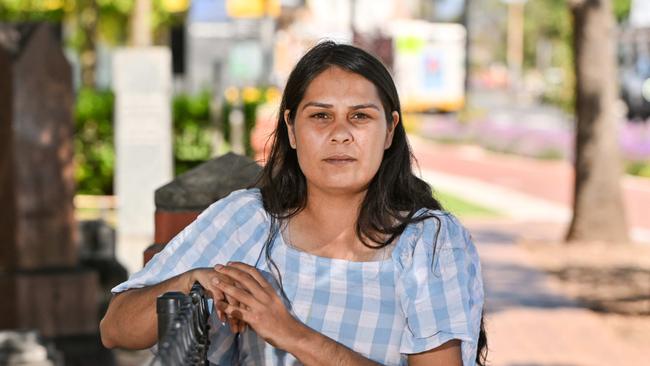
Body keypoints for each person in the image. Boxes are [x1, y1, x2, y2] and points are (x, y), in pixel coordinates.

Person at [100, 41, 487, 366]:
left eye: (360, 117)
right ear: (291, 128)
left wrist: (289, 333)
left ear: (389, 130)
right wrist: (194, 281)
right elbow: (114, 328)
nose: (340, 134)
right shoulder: (247, 220)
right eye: (320, 116)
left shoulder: (429, 243)